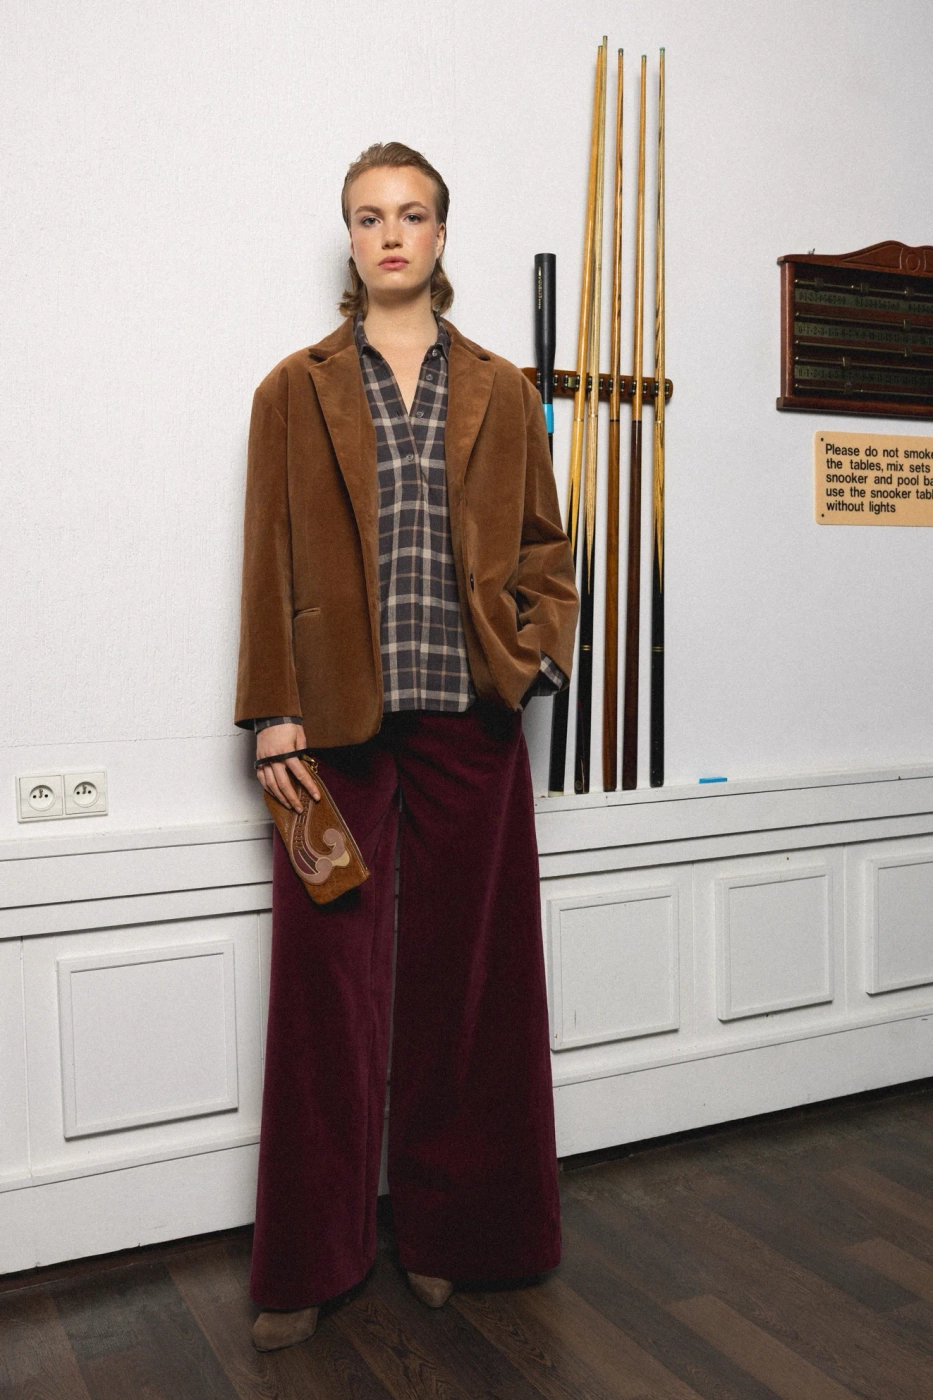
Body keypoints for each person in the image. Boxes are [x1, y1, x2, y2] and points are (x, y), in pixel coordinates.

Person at [234, 141, 579, 1352]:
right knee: (324, 998)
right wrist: (270, 712)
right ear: (351, 238)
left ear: (441, 234)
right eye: (371, 216)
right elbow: (267, 557)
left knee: (466, 988)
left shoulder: (501, 387)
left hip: (470, 721)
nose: (392, 234)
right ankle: (309, 1260)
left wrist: (528, 655)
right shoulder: (293, 389)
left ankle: (454, 1234)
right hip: (331, 731)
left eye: (413, 214)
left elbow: (547, 549)